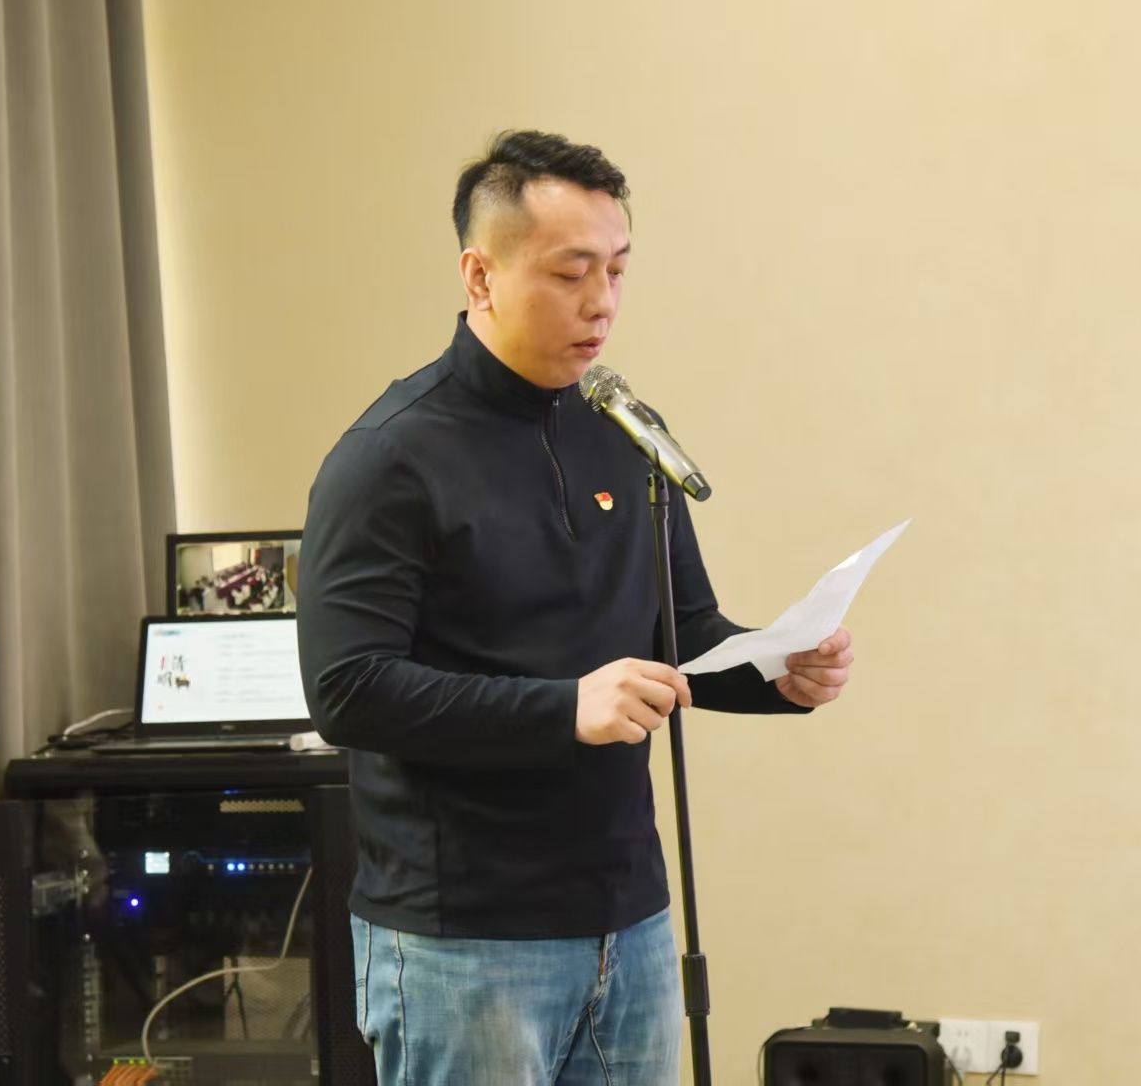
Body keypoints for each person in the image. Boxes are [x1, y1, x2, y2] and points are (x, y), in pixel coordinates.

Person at [297, 130, 853, 1086]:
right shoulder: (389, 457)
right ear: (480, 276)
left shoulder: (625, 431)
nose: (601, 301)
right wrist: (564, 708)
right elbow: (347, 690)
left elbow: (683, 633)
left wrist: (780, 669)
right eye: (570, 272)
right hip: (463, 939)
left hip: (629, 921)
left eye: (618, 269)